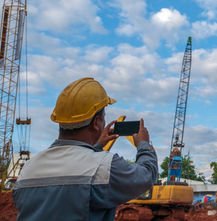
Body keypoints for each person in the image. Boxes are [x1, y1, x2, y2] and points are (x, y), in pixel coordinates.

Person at [13, 77, 158, 221]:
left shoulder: (28, 170)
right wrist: (143, 144)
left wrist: (97, 146)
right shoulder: (105, 166)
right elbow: (147, 175)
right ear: (96, 123)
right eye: (103, 118)